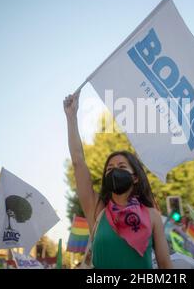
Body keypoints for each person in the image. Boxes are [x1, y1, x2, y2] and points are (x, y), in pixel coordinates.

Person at [64, 91, 172, 269]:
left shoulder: (152, 215)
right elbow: (78, 161)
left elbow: (165, 265)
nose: (115, 172)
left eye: (122, 167)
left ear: (135, 177)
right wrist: (71, 117)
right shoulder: (96, 209)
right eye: (110, 169)